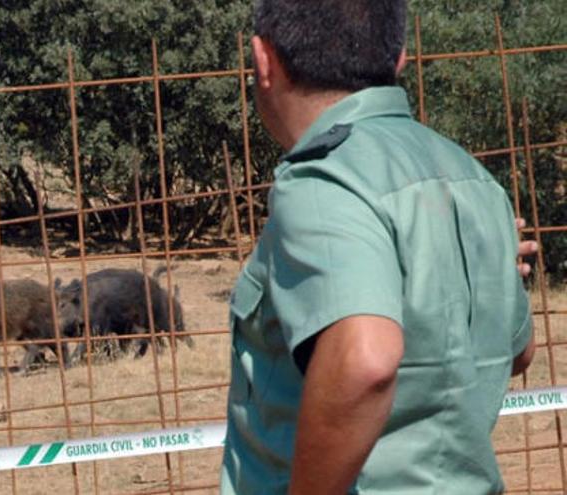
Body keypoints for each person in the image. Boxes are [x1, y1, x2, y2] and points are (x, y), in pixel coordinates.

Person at [220, 1, 536, 493]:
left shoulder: (323, 181)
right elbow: (515, 352)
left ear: (262, 60)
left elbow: (366, 360)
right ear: (400, 60)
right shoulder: (474, 179)